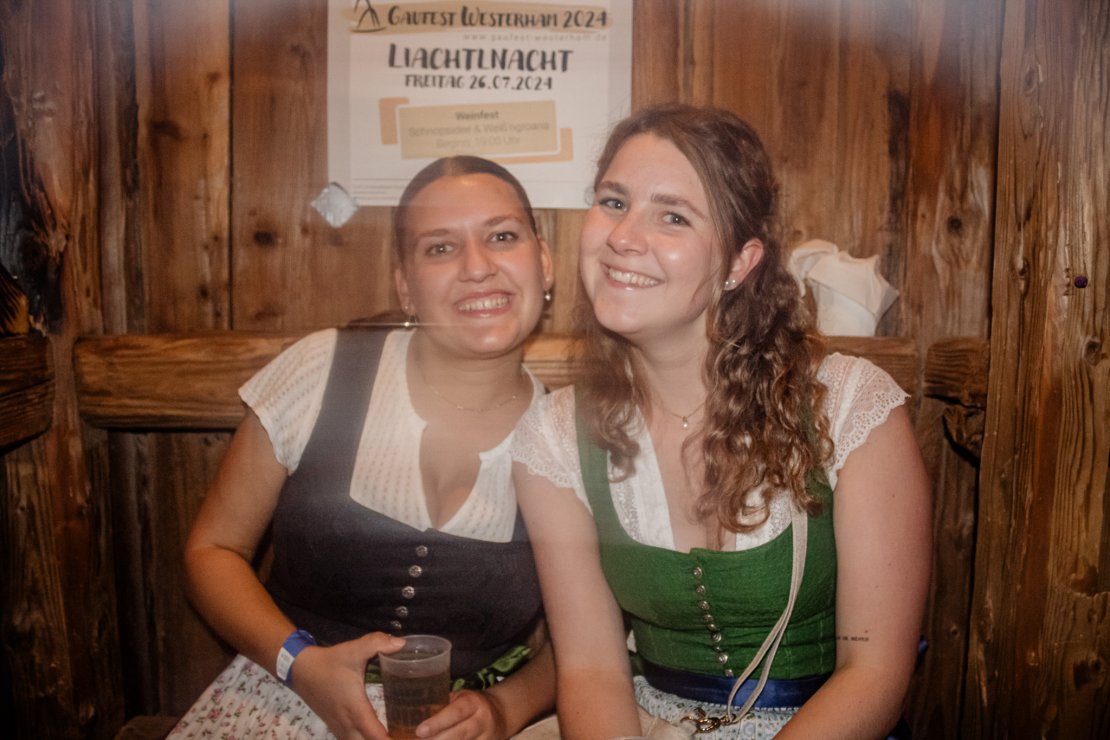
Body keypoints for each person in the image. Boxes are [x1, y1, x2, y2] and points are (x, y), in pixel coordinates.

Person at [510, 104, 931, 739]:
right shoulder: (554, 436)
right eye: (614, 202)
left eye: (673, 216)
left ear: (739, 262)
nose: (623, 237)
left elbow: (873, 674)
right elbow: (592, 670)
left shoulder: (849, 406)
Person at [170, 155, 557, 740]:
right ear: (405, 287)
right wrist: (300, 663)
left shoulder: (566, 439)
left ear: (544, 262)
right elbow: (213, 549)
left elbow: (582, 641)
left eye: (502, 236)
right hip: (284, 698)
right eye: (440, 248)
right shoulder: (323, 369)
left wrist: (504, 708)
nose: (478, 267)